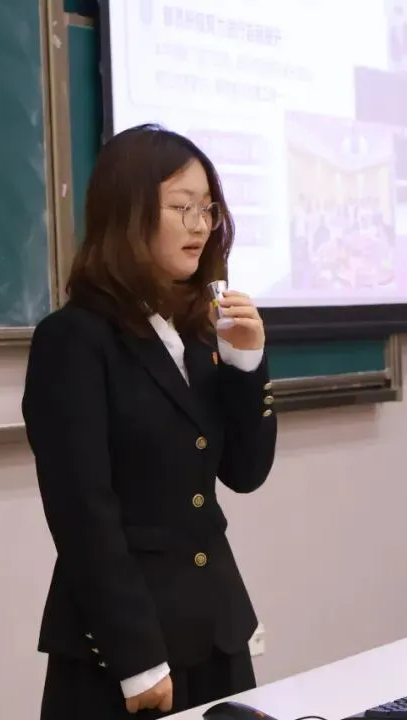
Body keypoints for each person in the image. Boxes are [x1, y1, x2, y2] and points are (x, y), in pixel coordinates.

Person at [22, 124, 278, 719]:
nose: (200, 225)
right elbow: (82, 512)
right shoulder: (74, 339)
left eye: (207, 208)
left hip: (216, 630)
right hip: (126, 654)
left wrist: (246, 365)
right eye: (181, 207)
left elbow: (245, 473)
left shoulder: (198, 332)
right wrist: (136, 658)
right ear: (127, 214)